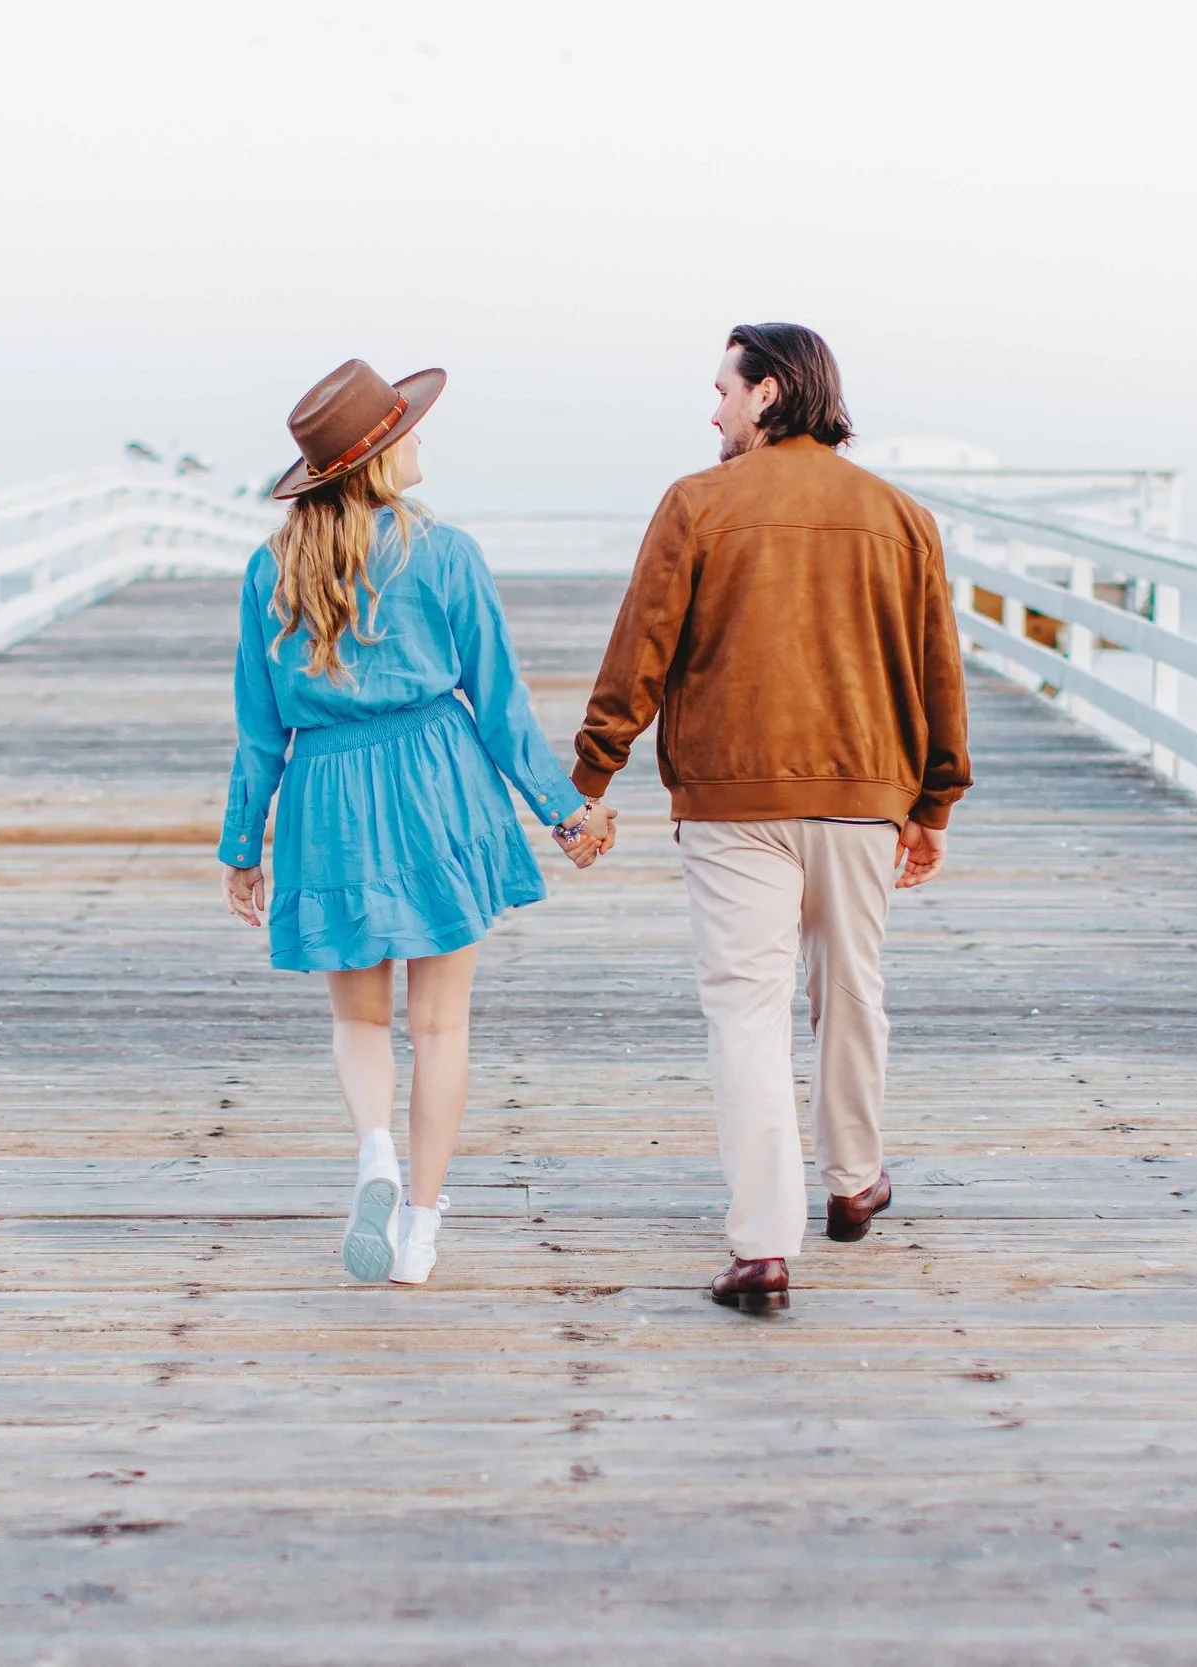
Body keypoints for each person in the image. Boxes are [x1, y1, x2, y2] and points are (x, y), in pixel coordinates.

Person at [572, 323, 971, 1312]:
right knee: (851, 989)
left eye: (722, 390)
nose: (711, 411)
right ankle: (854, 1181)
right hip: (863, 797)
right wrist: (933, 801)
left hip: (731, 798)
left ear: (769, 392)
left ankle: (760, 1249)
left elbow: (640, 650)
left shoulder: (697, 504)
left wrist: (592, 773)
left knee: (746, 1015)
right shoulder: (902, 517)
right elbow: (937, 671)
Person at [220, 359, 615, 1288]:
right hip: (437, 784)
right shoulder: (444, 552)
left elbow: (258, 728)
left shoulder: (271, 568)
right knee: (440, 1026)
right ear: (378, 457)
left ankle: (375, 1154)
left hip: (326, 796)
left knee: (360, 1020)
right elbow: (500, 701)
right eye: (406, 429)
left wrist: (243, 847)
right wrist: (564, 811)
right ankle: (422, 1231)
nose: (420, 437)